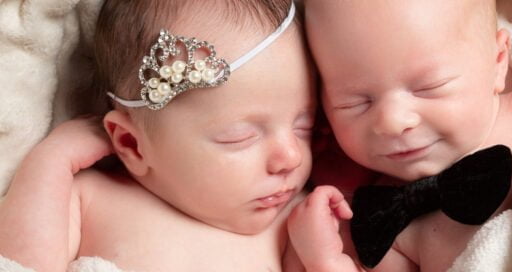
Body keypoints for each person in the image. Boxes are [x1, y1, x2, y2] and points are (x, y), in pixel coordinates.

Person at [0, 0, 321, 271]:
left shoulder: (301, 221)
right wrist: (55, 158)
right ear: (132, 144)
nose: (290, 157)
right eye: (239, 137)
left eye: (304, 126)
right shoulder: (92, 197)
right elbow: (22, 263)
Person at [287, 0, 512, 271]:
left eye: (428, 86)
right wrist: (324, 261)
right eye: (354, 102)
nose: (392, 122)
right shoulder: (382, 225)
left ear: (498, 62)